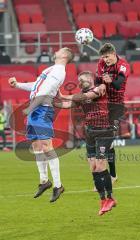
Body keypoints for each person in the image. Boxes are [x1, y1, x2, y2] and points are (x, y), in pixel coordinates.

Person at [8, 47, 74, 202]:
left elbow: (45, 91)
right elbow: (37, 85)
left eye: (59, 50)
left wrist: (32, 106)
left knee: (46, 146)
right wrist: (18, 85)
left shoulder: (59, 71)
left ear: (64, 55)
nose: (56, 51)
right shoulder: (52, 69)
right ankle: (44, 181)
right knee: (37, 146)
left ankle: (58, 185)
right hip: (36, 109)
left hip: (42, 109)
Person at [57, 71, 117, 216]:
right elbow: (65, 105)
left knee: (101, 165)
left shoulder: (100, 88)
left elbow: (87, 96)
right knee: (93, 168)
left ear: (90, 79)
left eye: (83, 78)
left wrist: (63, 94)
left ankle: (110, 198)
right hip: (89, 131)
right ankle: (103, 200)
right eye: (78, 79)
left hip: (104, 130)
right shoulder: (79, 96)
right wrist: (49, 100)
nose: (80, 80)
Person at [96, 42, 130, 184]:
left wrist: (110, 81)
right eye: (104, 57)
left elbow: (119, 84)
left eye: (108, 57)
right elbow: (98, 80)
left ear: (114, 53)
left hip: (116, 106)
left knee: (107, 141)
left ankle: (111, 176)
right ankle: (112, 176)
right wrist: (102, 83)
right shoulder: (101, 64)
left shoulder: (123, 65)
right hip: (103, 104)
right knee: (106, 142)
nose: (106, 60)